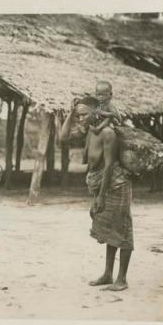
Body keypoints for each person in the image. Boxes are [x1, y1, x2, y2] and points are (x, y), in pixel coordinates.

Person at [60, 97, 133, 292]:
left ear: (95, 112)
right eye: (79, 115)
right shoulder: (90, 131)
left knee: (122, 230)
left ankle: (122, 279)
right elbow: (63, 138)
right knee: (109, 230)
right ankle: (108, 274)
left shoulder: (107, 133)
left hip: (116, 184)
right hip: (102, 184)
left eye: (84, 114)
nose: (81, 118)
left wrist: (100, 196)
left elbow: (109, 165)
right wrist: (70, 113)